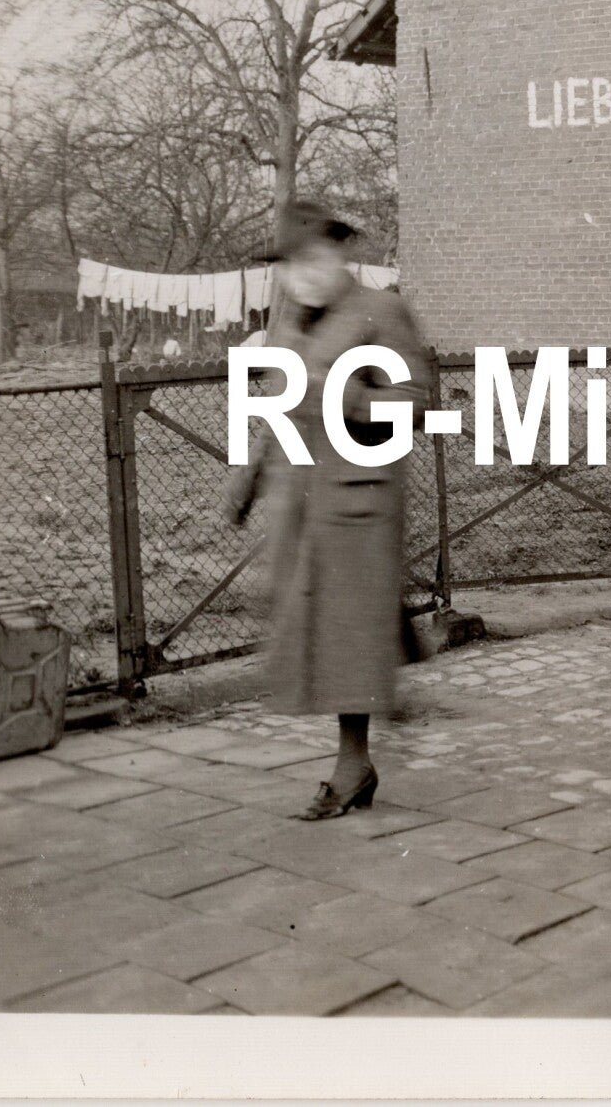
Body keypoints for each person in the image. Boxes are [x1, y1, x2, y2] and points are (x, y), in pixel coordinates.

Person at [224, 201, 432, 820]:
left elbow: (417, 402)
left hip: (358, 500)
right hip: (303, 506)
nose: (304, 276)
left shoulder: (381, 311)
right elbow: (282, 405)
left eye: (314, 260)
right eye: (290, 267)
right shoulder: (290, 323)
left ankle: (352, 766)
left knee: (348, 636)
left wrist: (348, 396)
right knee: (328, 631)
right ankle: (368, 736)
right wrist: (248, 477)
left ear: (340, 255)